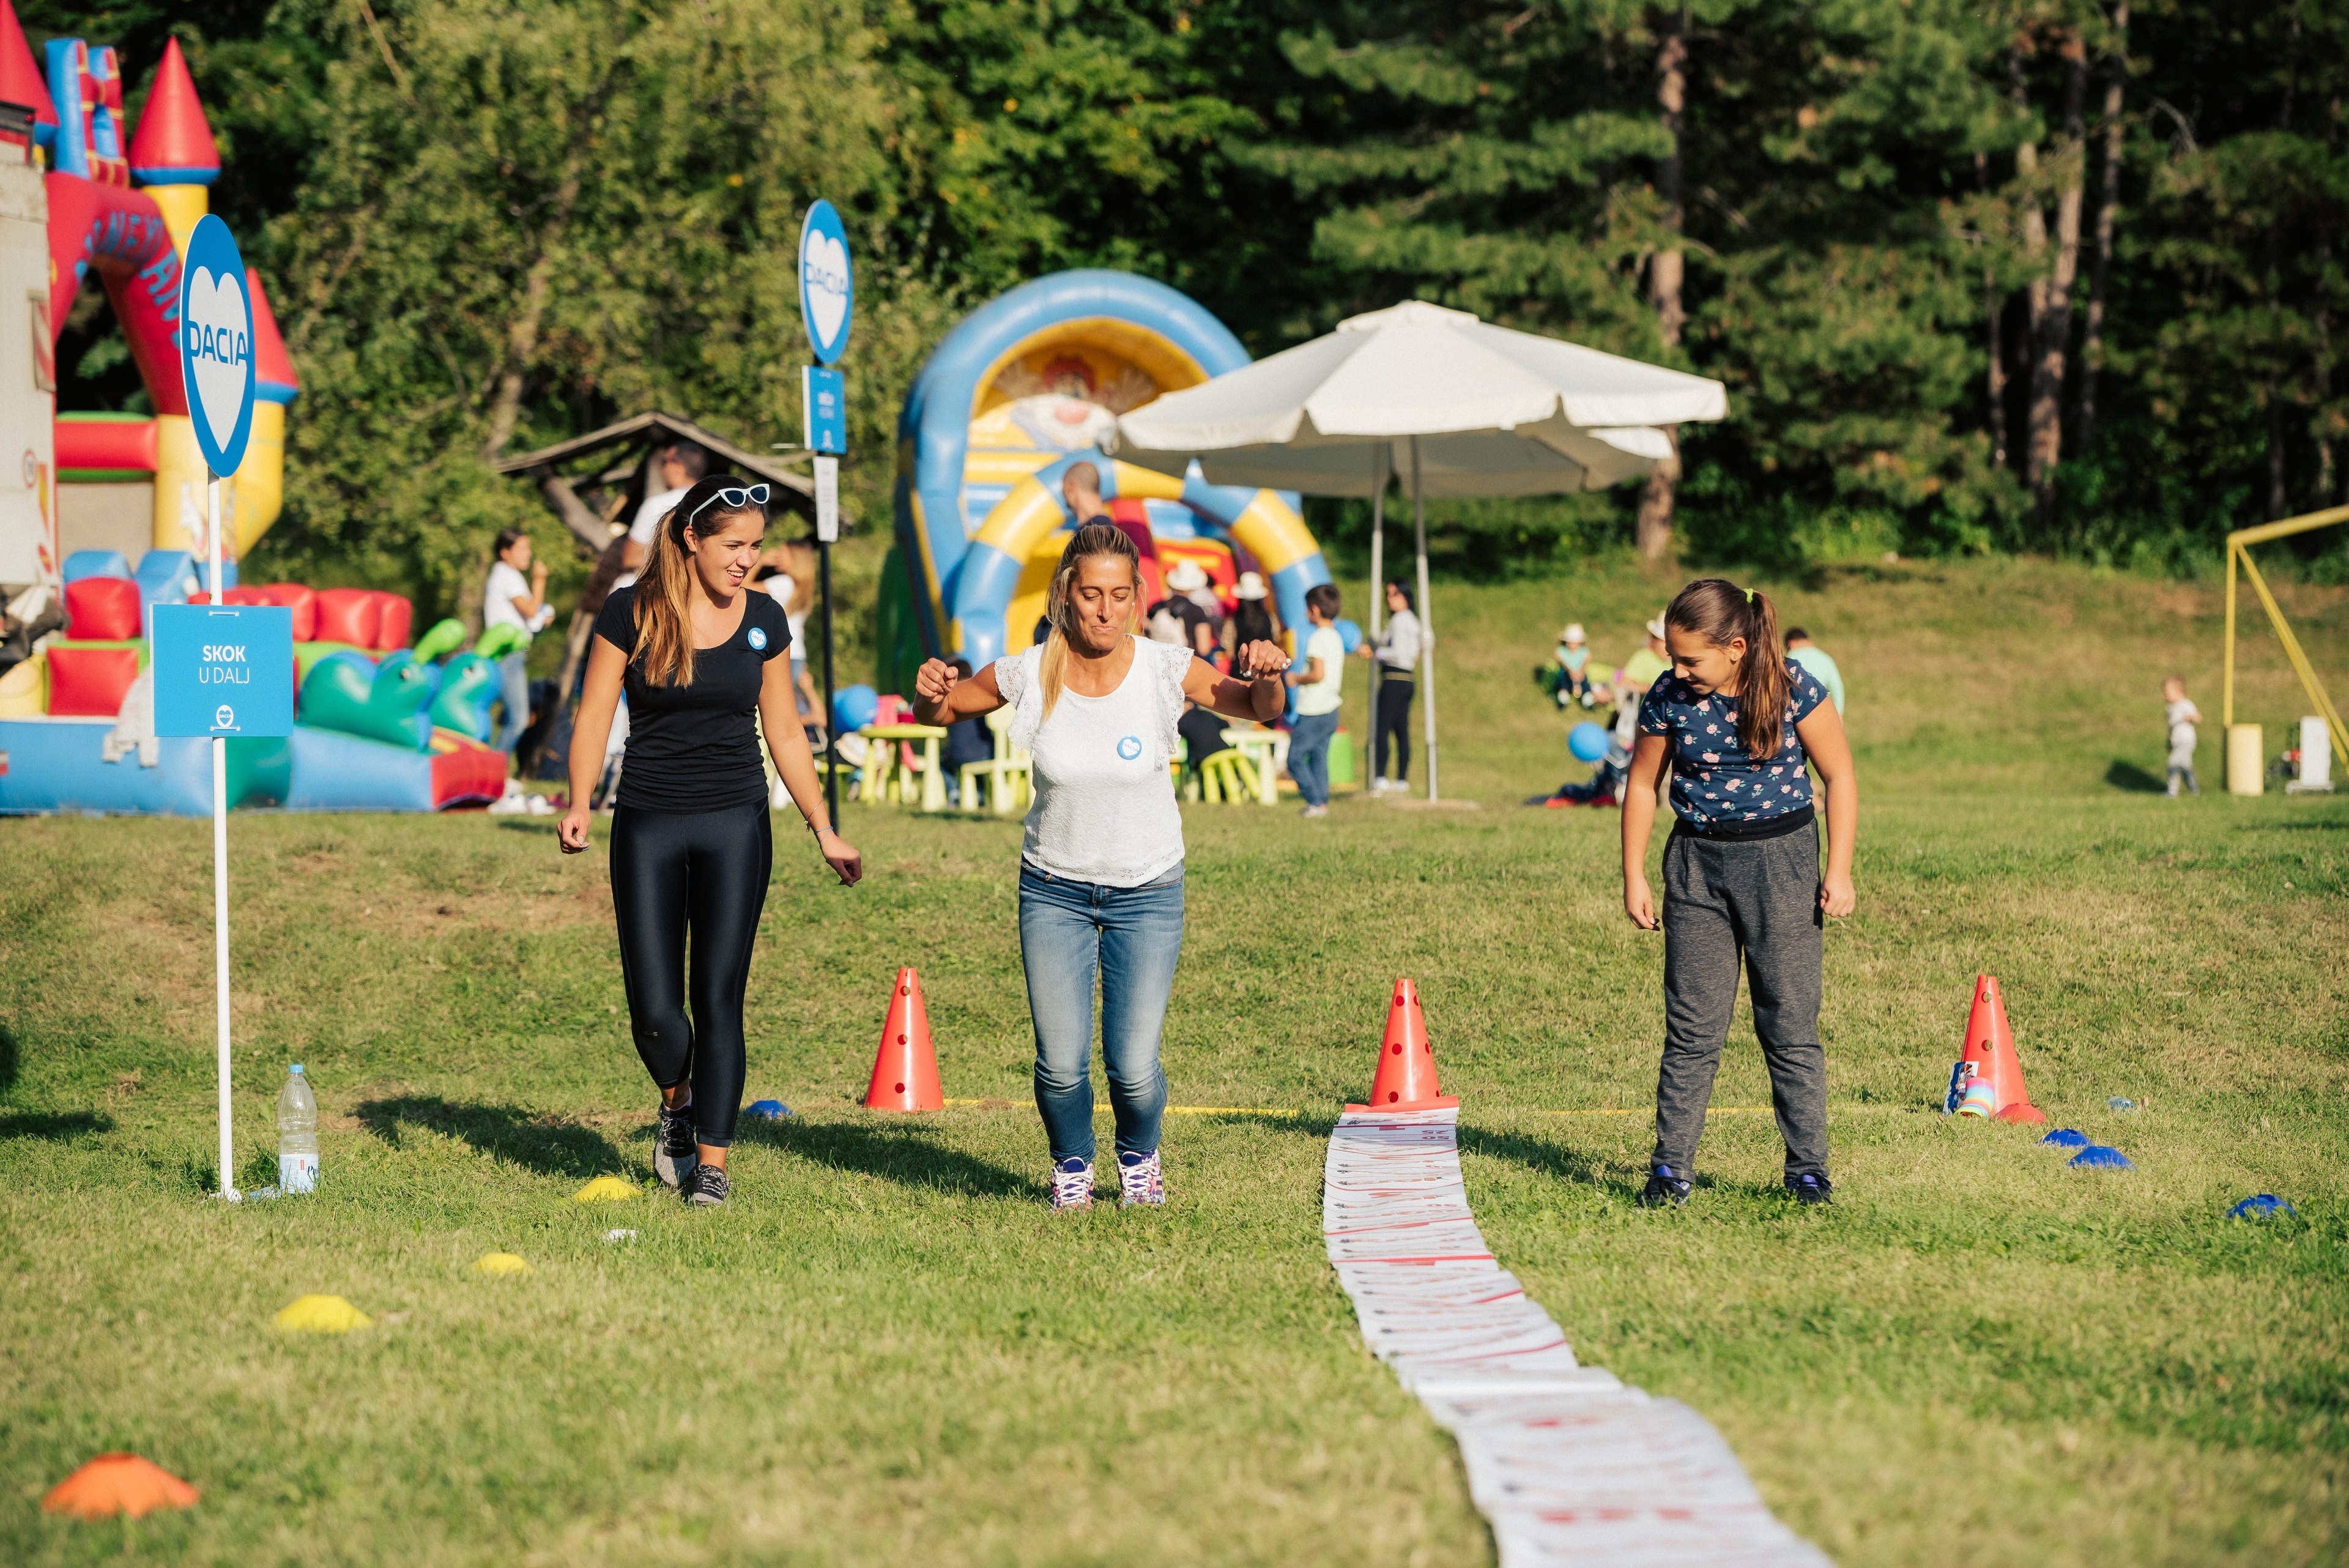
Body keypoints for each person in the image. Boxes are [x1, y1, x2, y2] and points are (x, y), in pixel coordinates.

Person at [910, 522, 1293, 1211]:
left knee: (1134, 1068)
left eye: (1120, 595)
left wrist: (1267, 678)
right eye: (1092, 594)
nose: (1106, 610)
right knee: (1060, 1066)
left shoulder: (1164, 668)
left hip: (1148, 891)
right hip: (1053, 888)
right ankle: (1072, 1165)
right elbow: (941, 710)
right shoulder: (1031, 669)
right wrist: (932, 689)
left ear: (1138, 597)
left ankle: (1140, 1159)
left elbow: (1255, 708)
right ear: (1067, 592)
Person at [559, 474, 864, 1209]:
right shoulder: (631, 612)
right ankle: (678, 1104)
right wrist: (578, 802)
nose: (746, 560)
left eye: (755, 547)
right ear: (691, 539)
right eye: (733, 545)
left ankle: (716, 1165)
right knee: (656, 1012)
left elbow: (786, 730)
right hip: (647, 821)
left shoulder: (763, 619)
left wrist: (823, 827)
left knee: (719, 999)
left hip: (736, 822)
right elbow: (595, 714)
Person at [1620, 579, 1856, 1210]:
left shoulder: (1791, 685)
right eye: (1672, 656)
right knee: (1693, 1028)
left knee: (1788, 1022)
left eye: (1690, 658)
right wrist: (1635, 874)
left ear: (1736, 648)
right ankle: (1671, 1169)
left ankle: (1808, 1169)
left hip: (1782, 866)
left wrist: (1840, 870)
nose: (1677, 669)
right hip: (1697, 866)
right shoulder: (1669, 695)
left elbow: (1839, 775)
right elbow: (1644, 783)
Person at [483, 529, 555, 754]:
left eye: (528, 549)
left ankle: (487, 768)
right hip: (508, 655)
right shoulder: (507, 576)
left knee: (486, 711)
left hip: (508, 654)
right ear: (505, 552)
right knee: (519, 719)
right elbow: (531, 611)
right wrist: (540, 580)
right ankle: (493, 771)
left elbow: (527, 616)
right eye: (522, 549)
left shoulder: (505, 575)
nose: (528, 554)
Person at [1355, 578, 1421, 792]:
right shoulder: (1410, 621)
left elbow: (1399, 652)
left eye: (1394, 594)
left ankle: (1381, 775)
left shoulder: (1402, 621)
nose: (1389, 599)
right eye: (1388, 594)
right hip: (1406, 680)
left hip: (1394, 678)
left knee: (1382, 727)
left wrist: (1377, 653)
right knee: (1401, 730)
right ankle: (1401, 778)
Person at [617, 439, 711, 589]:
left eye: (665, 462)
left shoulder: (656, 505)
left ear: (678, 466)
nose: (663, 469)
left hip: (649, 590)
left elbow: (630, 558)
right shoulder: (712, 507)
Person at [1286, 583, 1346, 818]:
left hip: (1314, 709)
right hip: (1331, 708)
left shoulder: (1317, 639)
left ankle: (1313, 799)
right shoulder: (1336, 637)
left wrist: (1296, 678)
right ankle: (1321, 802)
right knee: (1319, 756)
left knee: (1295, 758)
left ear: (1315, 610)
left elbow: (1317, 674)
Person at [1148, 560, 1217, 660]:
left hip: (1157, 662)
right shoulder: (1197, 611)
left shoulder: (1156, 607)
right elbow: (1204, 649)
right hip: (1183, 665)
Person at [1784, 626, 1845, 715]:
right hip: (1821, 710)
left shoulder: (1791, 658)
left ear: (1791, 644)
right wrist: (1839, 714)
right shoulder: (1826, 658)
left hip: (1798, 712)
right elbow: (1837, 688)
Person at [2162, 676, 2201, 797]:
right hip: (2177, 742)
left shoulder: (2185, 704)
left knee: (2173, 764)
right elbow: (2171, 727)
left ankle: (2172, 792)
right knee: (2186, 767)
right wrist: (2169, 742)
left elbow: (2199, 717)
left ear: (2179, 691)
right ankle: (2195, 790)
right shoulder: (2169, 708)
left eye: (2167, 692)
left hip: (2187, 741)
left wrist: (2191, 717)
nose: (2165, 696)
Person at [1225, 571, 1280, 656]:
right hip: (1265, 666)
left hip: (1241, 667)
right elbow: (1277, 639)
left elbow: (1229, 650)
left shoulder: (1232, 620)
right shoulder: (1270, 618)